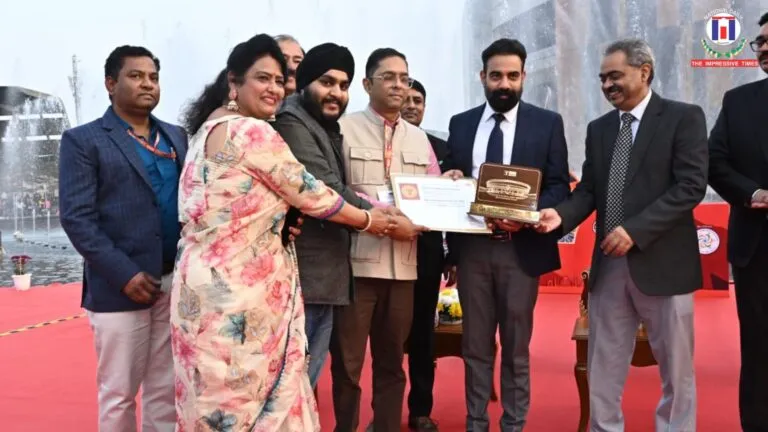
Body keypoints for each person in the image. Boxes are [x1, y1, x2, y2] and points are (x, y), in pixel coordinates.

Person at [172, 34, 394, 431]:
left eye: (279, 80)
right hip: (241, 294)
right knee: (252, 403)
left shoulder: (206, 130)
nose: (275, 89)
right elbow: (313, 194)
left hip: (199, 290)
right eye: (263, 79)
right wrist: (372, 221)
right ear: (233, 82)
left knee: (210, 398)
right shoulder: (252, 133)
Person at [536, 39, 708, 431]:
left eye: (615, 76)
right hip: (609, 267)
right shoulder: (600, 129)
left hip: (665, 266)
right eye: (602, 78)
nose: (607, 85)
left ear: (644, 71)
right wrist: (558, 218)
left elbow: (690, 186)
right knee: (603, 366)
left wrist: (635, 230)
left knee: (677, 371)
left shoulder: (683, 117)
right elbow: (590, 192)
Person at [442, 38, 570, 432]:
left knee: (516, 349)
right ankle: (475, 423)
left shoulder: (547, 123)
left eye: (513, 76)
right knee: (475, 347)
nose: (504, 83)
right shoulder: (461, 124)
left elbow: (559, 187)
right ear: (482, 76)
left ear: (524, 77)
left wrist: (527, 216)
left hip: (520, 251)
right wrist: (449, 181)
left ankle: (514, 425)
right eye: (496, 75)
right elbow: (451, 178)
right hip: (473, 252)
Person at [331, 47, 461, 432]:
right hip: (357, 265)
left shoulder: (421, 140)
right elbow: (334, 189)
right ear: (368, 84)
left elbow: (434, 197)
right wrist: (385, 218)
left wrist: (449, 188)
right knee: (349, 366)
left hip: (405, 269)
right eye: (389, 77)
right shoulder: (342, 129)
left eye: (404, 78)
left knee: (392, 364)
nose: (399, 85)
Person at [59, 45, 186, 432]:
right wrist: (124, 274)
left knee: (166, 389)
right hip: (120, 288)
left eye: (153, 76)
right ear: (110, 84)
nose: (147, 83)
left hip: (173, 282)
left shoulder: (177, 136)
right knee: (118, 393)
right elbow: (77, 219)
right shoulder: (85, 140)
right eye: (135, 76)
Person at [272, 42, 373, 388]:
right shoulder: (291, 120)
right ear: (305, 82)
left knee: (302, 385)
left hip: (323, 278)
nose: (337, 93)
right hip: (306, 279)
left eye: (344, 86)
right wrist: (384, 219)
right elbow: (325, 189)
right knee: (293, 385)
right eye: (327, 82)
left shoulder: (321, 124)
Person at [708, 12, 768, 431]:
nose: (762, 48)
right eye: (759, 42)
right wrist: (754, 193)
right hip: (757, 247)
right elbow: (715, 162)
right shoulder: (739, 101)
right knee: (760, 349)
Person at [400, 78, 451, 431]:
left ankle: (421, 410)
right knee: (386, 337)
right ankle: (383, 410)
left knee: (423, 335)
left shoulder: (442, 148)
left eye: (418, 99)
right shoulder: (379, 143)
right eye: (406, 99)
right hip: (384, 251)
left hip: (428, 254)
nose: (412, 105)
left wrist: (453, 256)